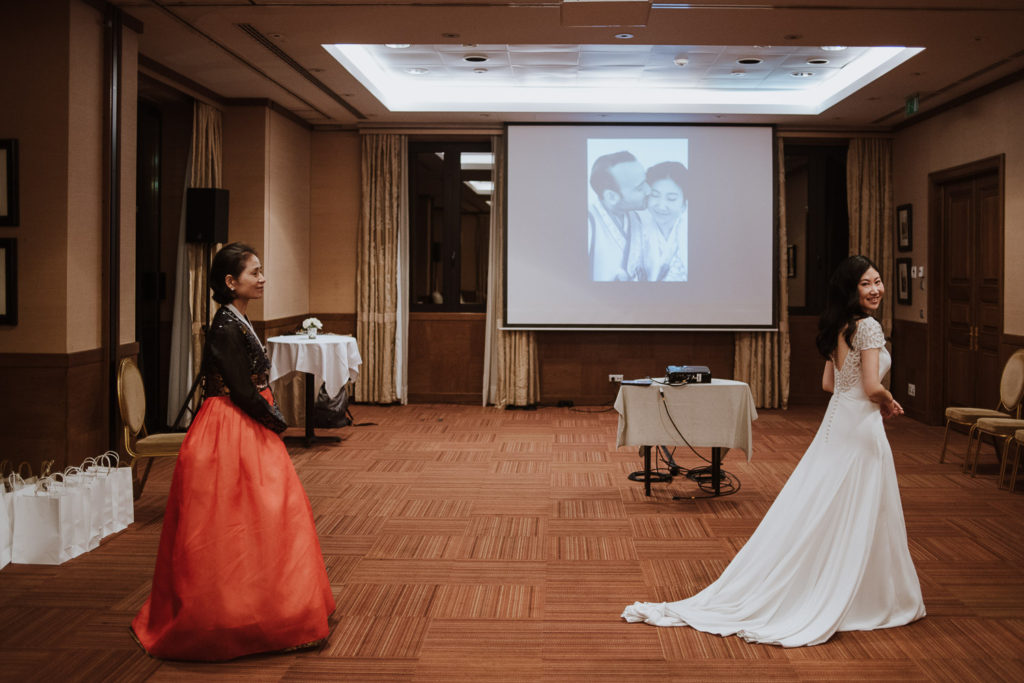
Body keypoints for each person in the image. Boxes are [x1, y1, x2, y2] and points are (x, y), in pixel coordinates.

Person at [622, 255, 925, 647]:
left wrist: (870, 396)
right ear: (851, 290)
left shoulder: (840, 326)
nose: (876, 289)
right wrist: (888, 399)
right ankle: (866, 591)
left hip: (838, 423)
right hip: (860, 427)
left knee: (825, 501)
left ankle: (830, 579)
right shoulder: (867, 328)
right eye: (866, 283)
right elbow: (870, 386)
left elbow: (829, 384)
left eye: (878, 282)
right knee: (861, 503)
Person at [131, 242, 336, 661]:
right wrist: (276, 420)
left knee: (266, 514)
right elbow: (241, 389)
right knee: (232, 523)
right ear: (231, 282)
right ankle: (231, 614)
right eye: (254, 272)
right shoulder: (225, 326)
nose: (262, 278)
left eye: (261, 271)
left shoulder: (236, 317)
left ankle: (265, 606)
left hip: (242, 422)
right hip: (229, 426)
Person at [588, 150, 650, 281]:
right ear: (611, 196)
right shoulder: (588, 223)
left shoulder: (639, 218)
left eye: (646, 181)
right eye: (639, 188)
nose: (649, 190)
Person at [626, 161, 688, 282]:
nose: (661, 206)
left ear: (684, 205)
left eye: (671, 198)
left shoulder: (689, 231)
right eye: (654, 195)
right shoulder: (636, 225)